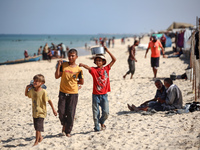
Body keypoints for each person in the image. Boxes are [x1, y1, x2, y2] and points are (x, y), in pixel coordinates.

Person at [79, 46, 116, 131]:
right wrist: (83, 65)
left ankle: (102, 121)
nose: (98, 62)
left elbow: (114, 60)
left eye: (100, 60)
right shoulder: (94, 70)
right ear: (95, 62)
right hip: (95, 95)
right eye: (97, 60)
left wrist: (108, 51)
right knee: (96, 113)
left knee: (106, 112)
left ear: (103, 62)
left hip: (104, 95)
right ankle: (97, 127)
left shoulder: (107, 68)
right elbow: (88, 67)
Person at [55, 49, 84, 137]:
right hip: (62, 92)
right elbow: (57, 76)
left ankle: (68, 131)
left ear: (76, 57)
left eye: (73, 56)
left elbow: (81, 82)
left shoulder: (78, 69)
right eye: (69, 56)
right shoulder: (63, 65)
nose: (71, 57)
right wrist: (59, 65)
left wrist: (75, 84)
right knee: (61, 111)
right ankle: (64, 124)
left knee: (71, 113)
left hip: (73, 93)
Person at [25, 74, 57, 146]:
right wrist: (27, 88)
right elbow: (26, 94)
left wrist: (53, 110)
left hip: (41, 112)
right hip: (34, 112)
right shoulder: (32, 90)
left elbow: (49, 100)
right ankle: (40, 137)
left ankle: (36, 141)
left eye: (37, 81)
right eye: (34, 81)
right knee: (36, 127)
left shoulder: (44, 92)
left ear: (41, 83)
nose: (35, 82)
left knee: (38, 128)